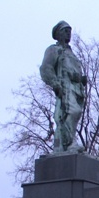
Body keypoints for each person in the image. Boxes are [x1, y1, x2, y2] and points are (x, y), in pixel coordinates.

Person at [40, 20, 87, 153]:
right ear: (59, 33)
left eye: (70, 31)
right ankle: (69, 143)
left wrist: (81, 79)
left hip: (77, 89)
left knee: (73, 115)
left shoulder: (71, 53)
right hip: (64, 86)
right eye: (65, 31)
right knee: (71, 112)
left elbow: (74, 70)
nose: (68, 34)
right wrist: (55, 84)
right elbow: (46, 68)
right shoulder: (54, 50)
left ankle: (64, 144)